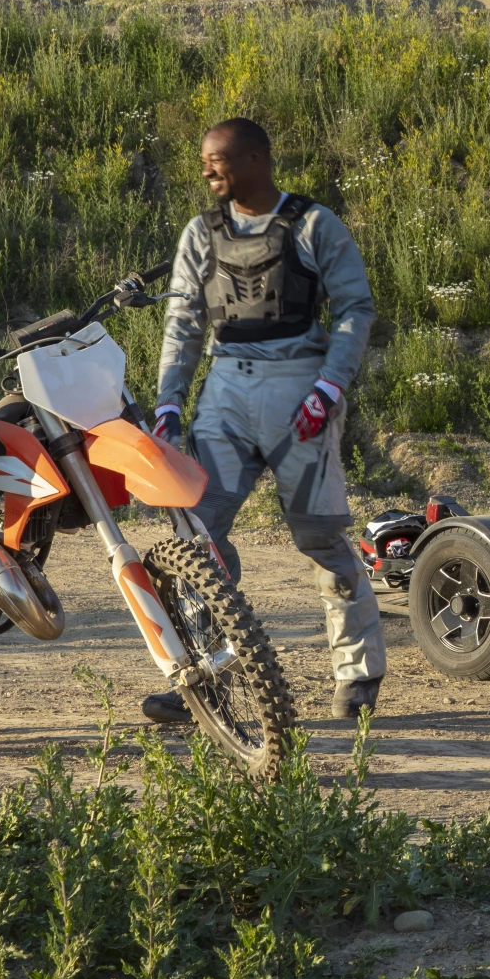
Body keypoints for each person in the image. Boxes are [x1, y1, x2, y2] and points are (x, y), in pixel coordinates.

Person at [145, 118, 384, 724]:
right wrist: (169, 403)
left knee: (322, 538)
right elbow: (183, 324)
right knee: (198, 537)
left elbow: (356, 307)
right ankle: (203, 672)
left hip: (300, 389)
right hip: (227, 390)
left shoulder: (312, 224)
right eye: (203, 159)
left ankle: (357, 675)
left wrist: (329, 387)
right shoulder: (200, 234)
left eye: (217, 159)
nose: (206, 170)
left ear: (256, 159)